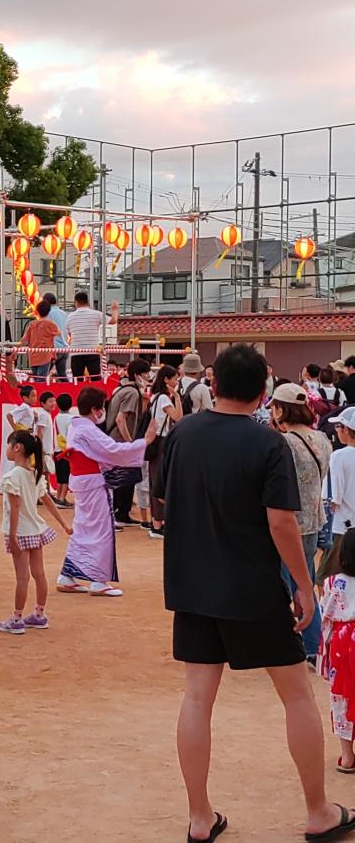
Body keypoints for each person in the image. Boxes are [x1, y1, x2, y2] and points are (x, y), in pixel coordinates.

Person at [157, 342, 355, 843]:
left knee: (197, 697)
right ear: (263, 390)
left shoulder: (182, 434)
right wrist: (304, 586)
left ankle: (199, 819)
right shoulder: (269, 443)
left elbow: (162, 499)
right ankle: (318, 812)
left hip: (193, 584)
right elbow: (281, 522)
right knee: (295, 695)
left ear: (214, 384)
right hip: (253, 587)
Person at [57, 386, 151, 596]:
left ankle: (68, 575)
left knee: (83, 527)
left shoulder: (76, 426)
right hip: (92, 482)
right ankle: (98, 580)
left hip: (82, 480)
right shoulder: (87, 429)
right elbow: (113, 450)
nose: (102, 413)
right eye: (100, 409)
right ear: (94, 409)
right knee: (101, 529)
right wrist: (144, 442)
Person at [269, 383, 331, 664]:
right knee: (305, 581)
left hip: (290, 521)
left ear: (282, 409)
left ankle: (298, 643)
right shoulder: (322, 439)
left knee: (287, 585)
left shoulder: (284, 443)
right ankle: (312, 645)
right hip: (314, 520)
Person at [0, 430, 72, 634]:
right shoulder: (34, 474)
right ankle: (39, 614)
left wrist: (12, 536)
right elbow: (47, 501)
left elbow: (14, 508)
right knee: (39, 574)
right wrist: (64, 523)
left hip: (20, 532)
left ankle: (17, 618)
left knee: (22, 577)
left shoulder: (12, 477)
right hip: (36, 530)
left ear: (17, 447)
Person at [319, 530, 355, 774]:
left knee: (342, 696)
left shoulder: (333, 583)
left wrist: (323, 654)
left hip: (343, 644)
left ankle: (347, 756)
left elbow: (326, 618)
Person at [104, 358, 151, 527]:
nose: (148, 376)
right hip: (121, 440)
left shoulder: (123, 389)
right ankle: (120, 513)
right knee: (125, 478)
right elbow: (121, 418)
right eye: (145, 373)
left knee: (124, 477)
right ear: (138, 374)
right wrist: (130, 442)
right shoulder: (132, 392)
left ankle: (122, 513)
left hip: (116, 439)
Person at [318, 408, 355, 585]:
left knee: (326, 576)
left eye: (339, 426)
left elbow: (333, 496)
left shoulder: (339, 456)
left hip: (342, 526)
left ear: (347, 430)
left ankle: (328, 610)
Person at [147, 365, 183, 540]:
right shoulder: (164, 399)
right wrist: (176, 397)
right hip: (162, 441)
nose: (176, 381)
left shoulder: (154, 397)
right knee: (161, 482)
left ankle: (157, 522)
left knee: (155, 480)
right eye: (174, 378)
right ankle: (158, 524)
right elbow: (178, 417)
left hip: (154, 441)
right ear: (166, 380)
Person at [65, 292, 119, 381]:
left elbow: (69, 334)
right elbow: (113, 321)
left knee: (77, 380)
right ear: (88, 302)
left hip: (76, 351)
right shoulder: (96, 314)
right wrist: (114, 309)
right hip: (92, 350)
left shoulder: (70, 317)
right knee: (95, 378)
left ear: (76, 303)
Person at [18, 300, 61, 382]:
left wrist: (15, 352)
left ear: (37, 311)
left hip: (33, 357)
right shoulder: (50, 324)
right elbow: (59, 333)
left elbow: (24, 339)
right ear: (48, 312)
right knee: (41, 380)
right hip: (45, 356)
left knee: (36, 380)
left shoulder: (32, 324)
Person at [42, 292, 69, 381]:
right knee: (62, 374)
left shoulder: (48, 313)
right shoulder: (64, 313)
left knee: (43, 374)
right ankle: (69, 390)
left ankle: (42, 392)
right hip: (64, 348)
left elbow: (45, 330)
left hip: (53, 348)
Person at [53, 393, 74, 508]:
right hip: (66, 450)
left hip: (57, 449)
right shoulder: (71, 418)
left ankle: (58, 497)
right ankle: (62, 499)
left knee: (60, 477)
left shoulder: (56, 417)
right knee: (66, 477)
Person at [35, 390, 56, 478]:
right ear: (43, 403)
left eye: (54, 401)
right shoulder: (44, 415)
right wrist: (41, 448)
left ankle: (47, 491)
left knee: (46, 471)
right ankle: (44, 491)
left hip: (47, 449)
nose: (53, 403)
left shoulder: (46, 414)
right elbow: (40, 432)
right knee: (43, 471)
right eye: (50, 401)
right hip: (44, 449)